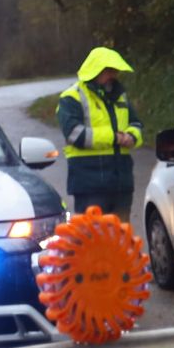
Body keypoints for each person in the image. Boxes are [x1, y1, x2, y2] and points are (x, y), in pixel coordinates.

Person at [56, 46, 144, 219]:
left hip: (121, 183)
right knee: (92, 238)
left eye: (115, 71)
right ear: (96, 71)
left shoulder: (119, 95)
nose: (114, 75)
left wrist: (132, 136)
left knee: (121, 239)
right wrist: (115, 137)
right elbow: (75, 134)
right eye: (109, 71)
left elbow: (136, 123)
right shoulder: (72, 97)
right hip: (89, 184)